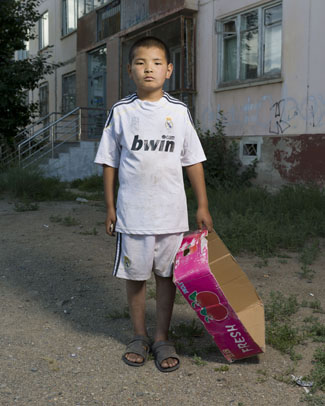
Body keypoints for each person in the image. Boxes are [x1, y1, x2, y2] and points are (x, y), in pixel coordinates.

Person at [94, 36, 213, 372]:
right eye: (141, 63)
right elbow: (109, 162)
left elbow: (193, 161)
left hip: (171, 216)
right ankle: (138, 335)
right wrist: (109, 207)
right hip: (133, 216)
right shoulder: (122, 112)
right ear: (131, 71)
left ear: (169, 70)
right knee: (135, 277)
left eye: (157, 62)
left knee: (166, 278)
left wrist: (202, 205)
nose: (149, 69)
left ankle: (161, 337)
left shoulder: (178, 112)